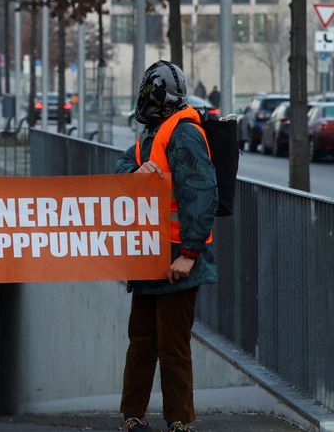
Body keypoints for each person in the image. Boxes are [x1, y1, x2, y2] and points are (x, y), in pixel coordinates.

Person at [114, 60, 218, 432]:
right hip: (149, 257)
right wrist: (132, 173)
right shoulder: (156, 133)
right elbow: (123, 166)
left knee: (172, 346)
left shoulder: (183, 133)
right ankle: (134, 416)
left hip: (175, 260)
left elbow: (202, 194)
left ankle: (179, 420)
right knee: (141, 341)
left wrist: (188, 255)